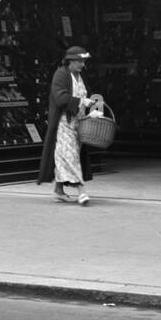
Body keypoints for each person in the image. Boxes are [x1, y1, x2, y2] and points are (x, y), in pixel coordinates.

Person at [38, 46, 101, 206]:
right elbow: (61, 98)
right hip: (63, 123)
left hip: (78, 123)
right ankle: (82, 191)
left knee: (64, 157)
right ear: (70, 61)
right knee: (70, 156)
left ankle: (58, 191)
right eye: (79, 61)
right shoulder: (61, 74)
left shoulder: (79, 76)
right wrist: (81, 101)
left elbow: (85, 96)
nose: (82, 64)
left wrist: (91, 110)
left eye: (83, 61)